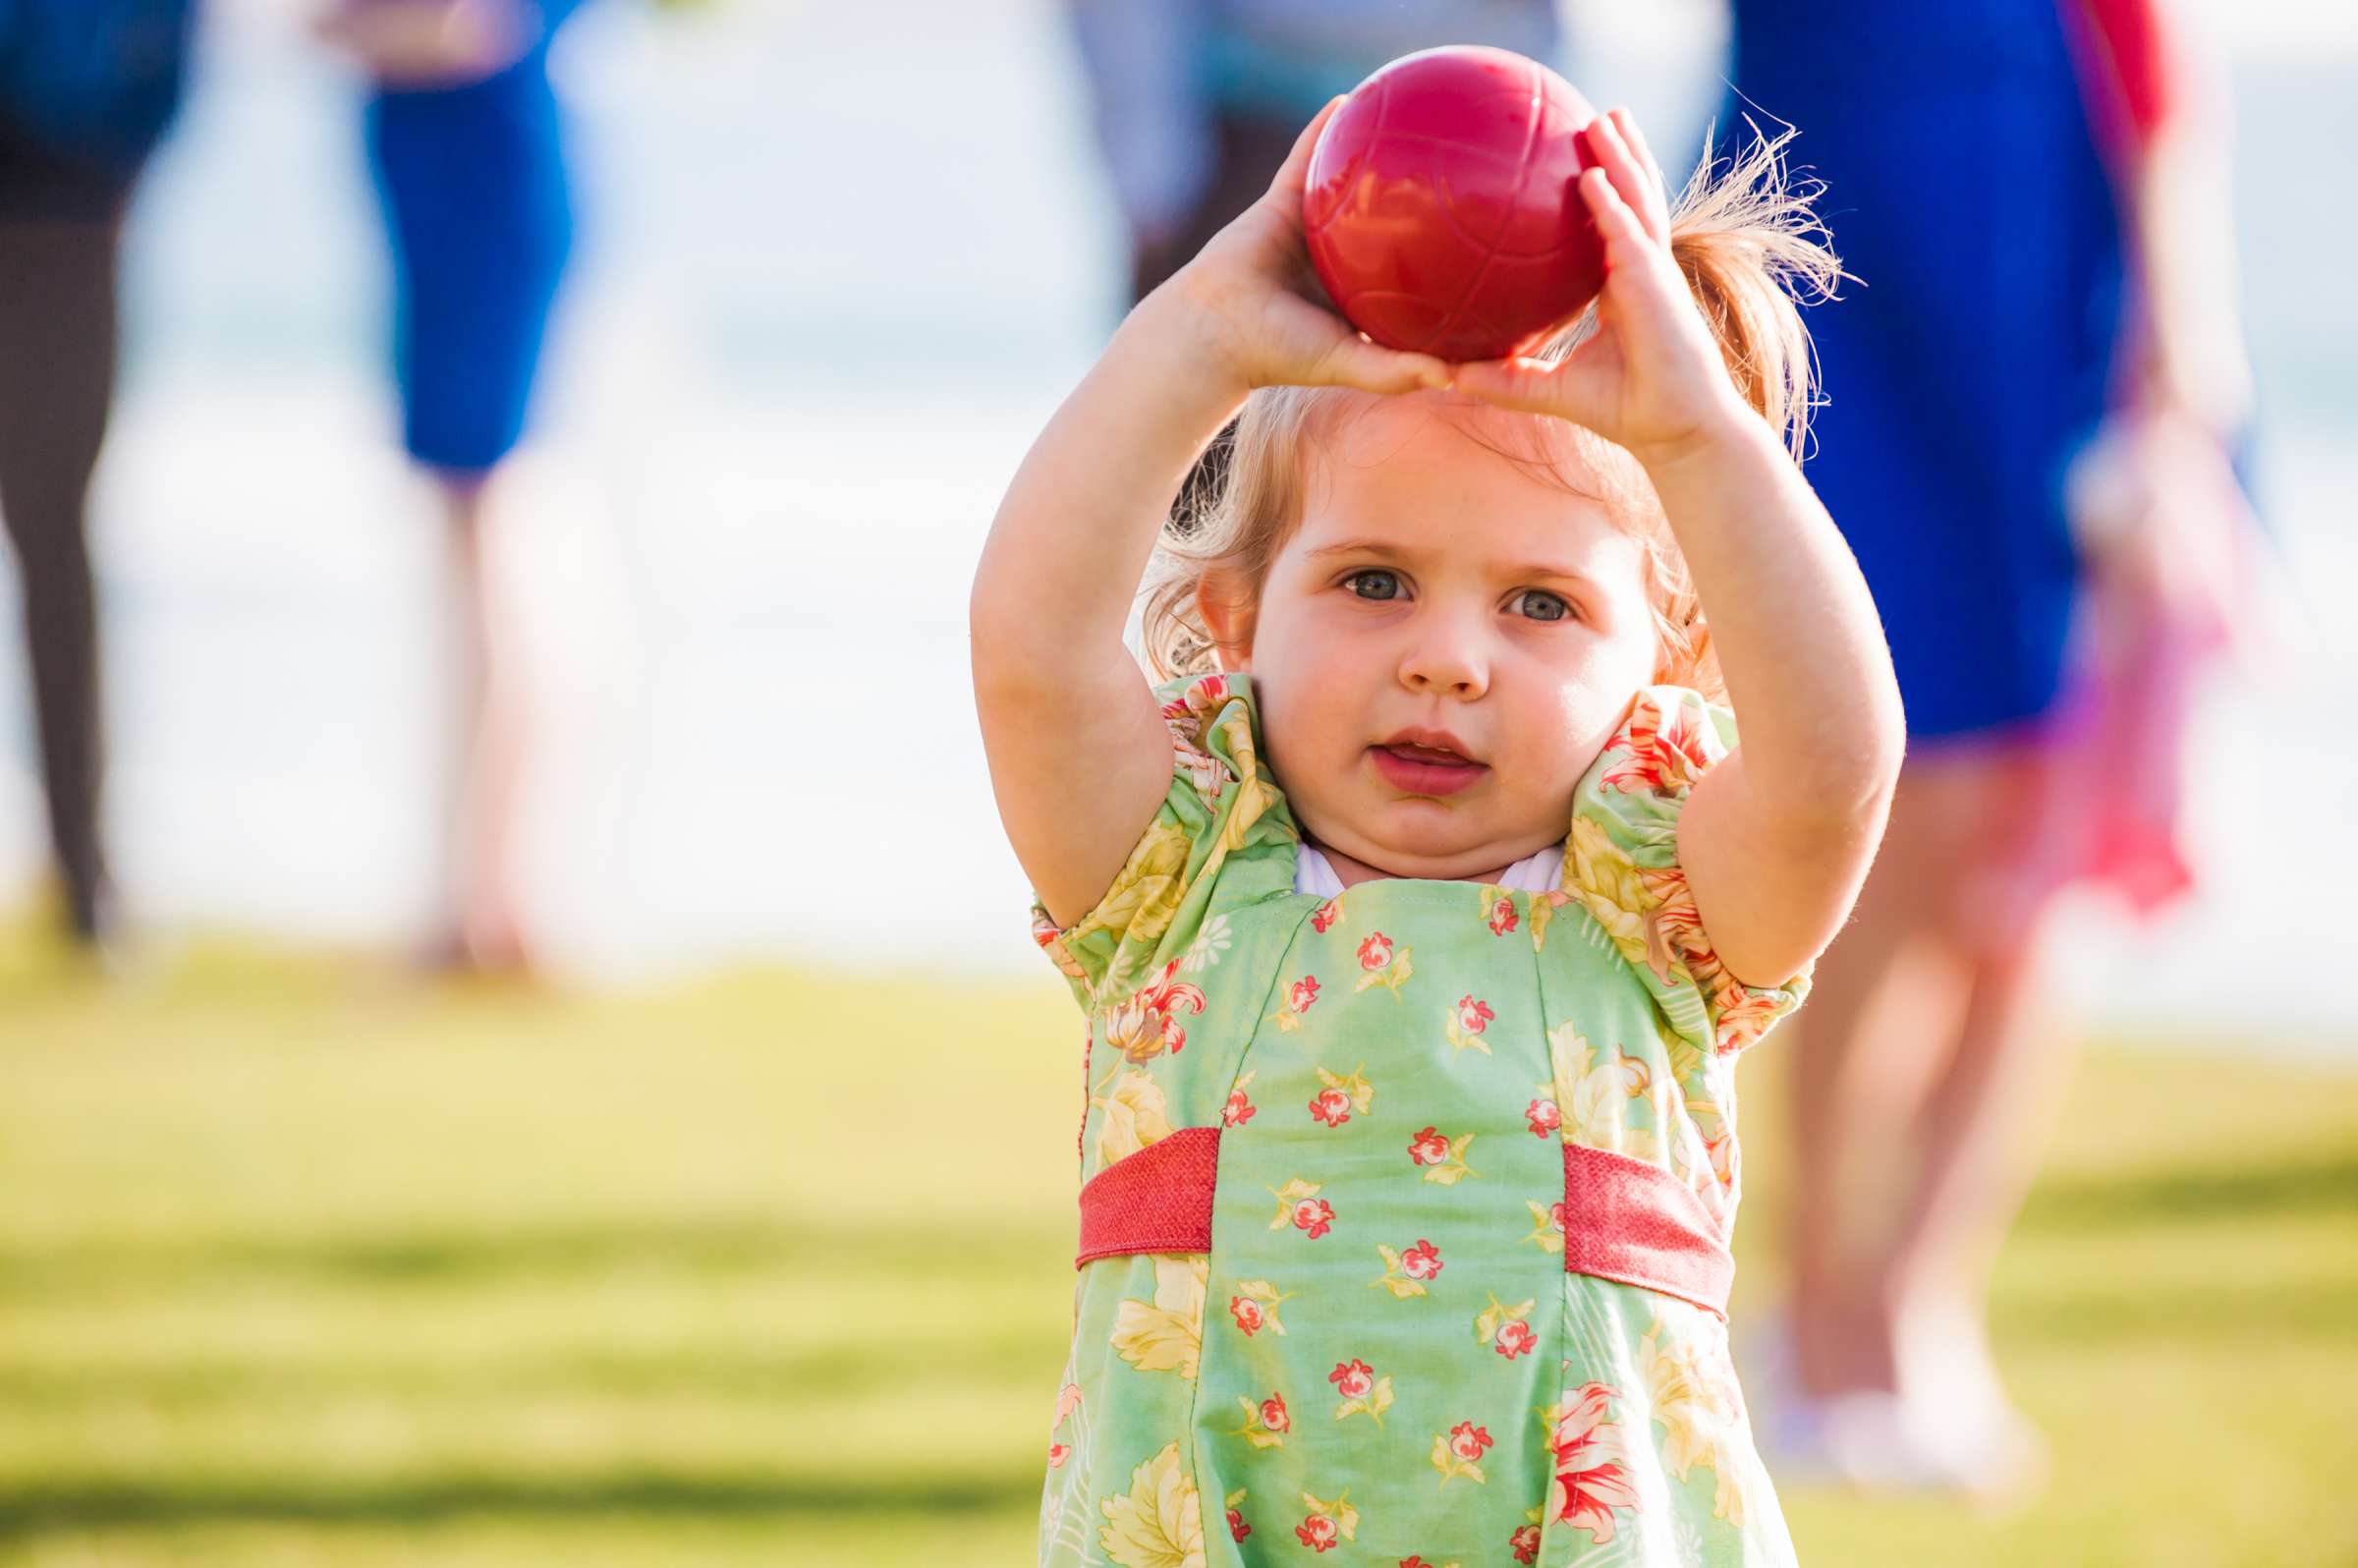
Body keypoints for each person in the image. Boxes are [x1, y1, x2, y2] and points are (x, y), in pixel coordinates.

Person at [973, 94, 1902, 1564]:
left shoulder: (1657, 903)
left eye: (1542, 605)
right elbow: (1032, 653)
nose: (1448, 659)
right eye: (1373, 582)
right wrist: (1200, 337)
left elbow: (1838, 764)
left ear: (1663, 664)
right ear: (1234, 619)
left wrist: (1696, 438)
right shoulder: (1174, 873)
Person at [1721, 0, 2262, 1491]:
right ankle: (1816, 1310)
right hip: (1834, 254)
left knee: (2051, 838)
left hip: (2057, 282)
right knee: (1887, 818)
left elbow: (2153, 56)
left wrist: (2184, 336)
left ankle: (1917, 1306)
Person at [314, 0, 588, 975]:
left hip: (487, 197)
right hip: (436, 201)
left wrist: (337, 32)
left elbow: (462, 28)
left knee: (501, 548)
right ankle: (475, 893)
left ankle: (498, 900)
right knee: (467, 555)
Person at [0, 0, 196, 952]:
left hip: (63, 223)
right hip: (68, 210)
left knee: (55, 547)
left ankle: (87, 882)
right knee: (58, 551)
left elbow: (158, 81)